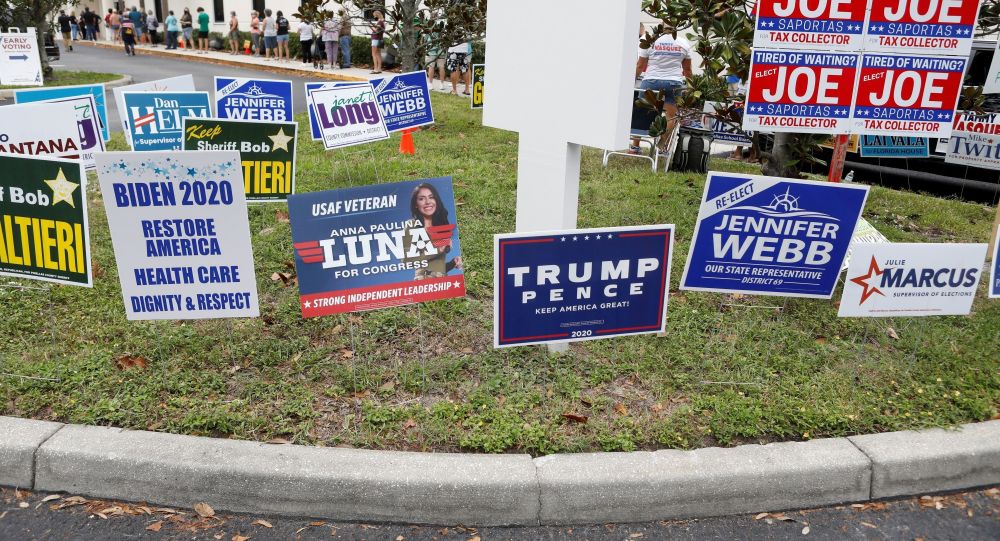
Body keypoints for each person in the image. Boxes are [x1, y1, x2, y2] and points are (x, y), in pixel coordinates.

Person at [632, 24, 692, 154]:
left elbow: (640, 65)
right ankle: (661, 146)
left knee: (642, 113)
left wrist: (630, 82)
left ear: (662, 26)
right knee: (671, 116)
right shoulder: (683, 43)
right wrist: (691, 87)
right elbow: (687, 70)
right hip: (673, 84)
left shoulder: (649, 41)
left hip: (650, 82)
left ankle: (635, 146)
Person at [409, 183, 462, 279]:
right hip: (423, 281)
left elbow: (437, 269)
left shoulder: (442, 227)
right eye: (421, 199)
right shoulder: (412, 226)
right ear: (416, 204)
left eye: (431, 197)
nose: (428, 202)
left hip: (441, 280)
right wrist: (438, 250)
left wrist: (453, 262)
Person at [424, 25, 446, 91]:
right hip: (441, 51)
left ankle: (430, 84)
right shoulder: (442, 30)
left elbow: (425, 40)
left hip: (431, 51)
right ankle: (442, 84)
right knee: (441, 67)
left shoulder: (428, 30)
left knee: (431, 67)